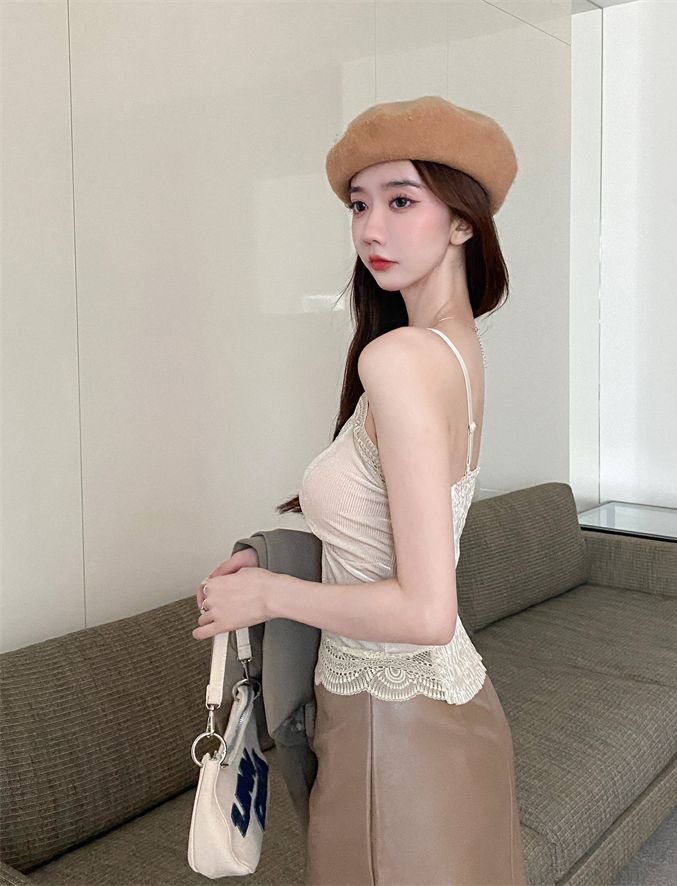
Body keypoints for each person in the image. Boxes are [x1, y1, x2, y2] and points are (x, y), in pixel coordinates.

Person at [195, 94, 525, 884]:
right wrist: (278, 555)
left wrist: (269, 594)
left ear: (463, 221)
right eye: (359, 204)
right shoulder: (459, 348)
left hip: (392, 730)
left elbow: (425, 610)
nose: (372, 228)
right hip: (437, 709)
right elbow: (395, 539)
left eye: (402, 201)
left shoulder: (401, 360)